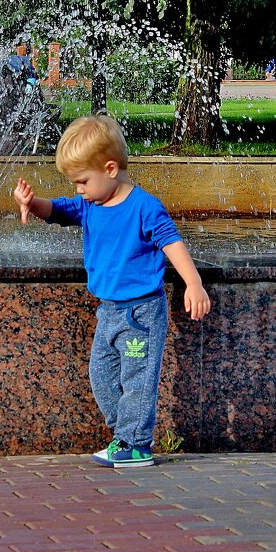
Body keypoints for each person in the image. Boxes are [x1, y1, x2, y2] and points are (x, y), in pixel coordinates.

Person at [12, 114, 211, 468]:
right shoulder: (90, 205)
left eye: (83, 181)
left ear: (110, 168)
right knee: (101, 375)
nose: (78, 189)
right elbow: (54, 210)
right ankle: (124, 436)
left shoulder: (144, 207)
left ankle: (136, 444)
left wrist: (192, 284)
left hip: (141, 313)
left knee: (137, 378)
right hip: (109, 310)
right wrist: (31, 204)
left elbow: (173, 244)